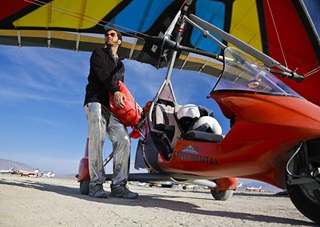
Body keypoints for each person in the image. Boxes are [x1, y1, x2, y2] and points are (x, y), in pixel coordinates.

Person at [83, 28, 138, 199]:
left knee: (124, 140)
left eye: (113, 34)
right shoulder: (98, 53)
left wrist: (132, 109)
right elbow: (103, 75)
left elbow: (121, 88)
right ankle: (95, 185)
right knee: (97, 140)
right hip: (96, 102)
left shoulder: (121, 65)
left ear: (119, 41)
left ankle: (119, 185)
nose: (108, 35)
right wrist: (115, 90)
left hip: (112, 108)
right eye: (107, 34)